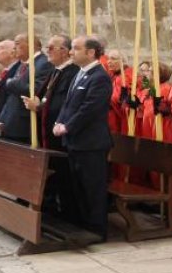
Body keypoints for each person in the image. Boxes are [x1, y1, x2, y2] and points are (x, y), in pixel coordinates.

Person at [53, 36, 113, 240]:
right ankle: (82, 223)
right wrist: (58, 122)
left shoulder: (100, 77)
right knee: (78, 186)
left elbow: (90, 109)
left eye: (76, 49)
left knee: (92, 187)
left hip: (91, 143)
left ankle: (97, 229)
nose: (71, 52)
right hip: (76, 141)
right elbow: (68, 104)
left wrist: (67, 126)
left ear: (91, 53)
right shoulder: (80, 74)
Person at [0, 34, 53, 143]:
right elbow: (12, 97)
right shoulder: (24, 64)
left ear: (31, 45)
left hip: (25, 126)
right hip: (12, 123)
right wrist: (1, 120)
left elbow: (37, 90)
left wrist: (11, 82)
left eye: (17, 43)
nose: (14, 48)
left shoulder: (43, 63)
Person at [22, 36, 79, 150]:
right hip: (47, 131)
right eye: (47, 47)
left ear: (64, 51)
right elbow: (43, 94)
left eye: (51, 48)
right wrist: (37, 99)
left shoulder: (73, 72)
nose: (47, 51)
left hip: (60, 133)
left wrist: (38, 107)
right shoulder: (55, 70)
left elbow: (63, 104)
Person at [103, 49, 133, 135]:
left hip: (118, 117)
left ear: (123, 61)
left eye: (113, 59)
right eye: (108, 58)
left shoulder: (126, 76)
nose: (109, 62)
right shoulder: (113, 74)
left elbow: (115, 98)